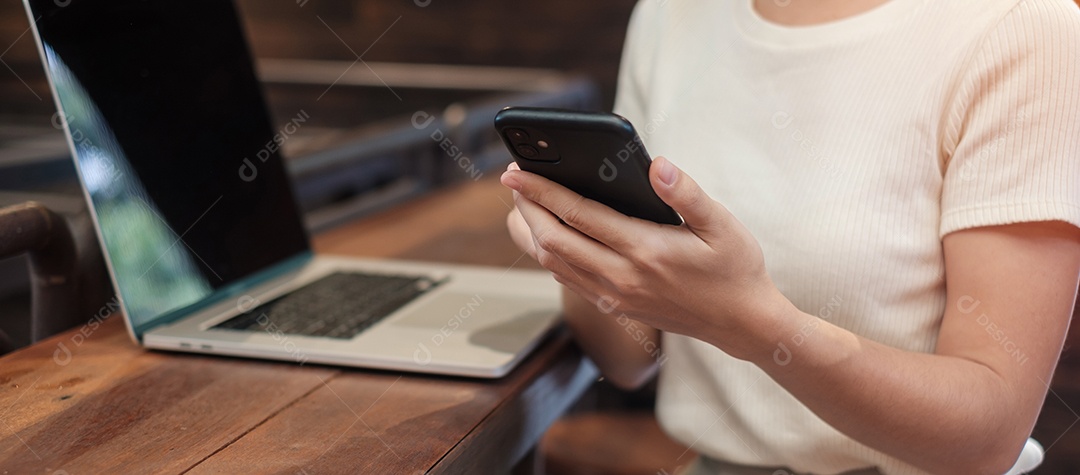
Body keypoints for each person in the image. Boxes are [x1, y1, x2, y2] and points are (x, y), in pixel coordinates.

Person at [501, 0, 1080, 474]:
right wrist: (576, 252)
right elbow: (630, 358)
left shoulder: (1022, 27)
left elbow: (989, 437)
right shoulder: (670, 14)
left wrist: (752, 324)